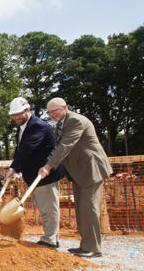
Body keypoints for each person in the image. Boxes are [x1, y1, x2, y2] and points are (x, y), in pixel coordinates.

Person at [39, 97, 113, 258]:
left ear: (65, 107)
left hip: (91, 169)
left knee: (90, 209)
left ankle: (94, 248)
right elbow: (60, 147)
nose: (52, 115)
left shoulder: (75, 121)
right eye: (49, 112)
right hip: (80, 172)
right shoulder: (62, 123)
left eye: (55, 111)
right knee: (81, 209)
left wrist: (48, 166)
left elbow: (65, 145)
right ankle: (85, 245)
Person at [6, 97, 66, 249]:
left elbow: (27, 149)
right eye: (14, 114)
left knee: (48, 208)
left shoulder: (37, 126)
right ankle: (51, 237)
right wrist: (15, 168)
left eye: (19, 113)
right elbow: (20, 150)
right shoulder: (23, 127)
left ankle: (51, 240)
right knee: (44, 207)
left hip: (45, 174)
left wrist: (14, 167)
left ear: (28, 110)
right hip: (35, 176)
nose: (16, 117)